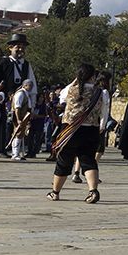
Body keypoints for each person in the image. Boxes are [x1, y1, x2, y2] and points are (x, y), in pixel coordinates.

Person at [47, 63, 105, 203]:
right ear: (93, 76)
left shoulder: (70, 89)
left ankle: (55, 192)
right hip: (91, 129)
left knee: (64, 161)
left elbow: (61, 96)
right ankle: (93, 191)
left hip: (70, 130)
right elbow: (104, 111)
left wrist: (76, 80)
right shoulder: (100, 92)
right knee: (88, 160)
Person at [0, 34, 37, 115]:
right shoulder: (5, 62)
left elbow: (32, 85)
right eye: (17, 47)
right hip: (4, 102)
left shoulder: (26, 65)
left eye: (23, 47)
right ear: (10, 48)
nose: (21, 49)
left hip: (21, 102)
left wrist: (32, 106)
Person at [9, 79, 35, 161]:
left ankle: (18, 153)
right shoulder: (20, 94)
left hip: (25, 117)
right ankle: (15, 154)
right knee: (18, 134)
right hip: (20, 117)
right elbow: (17, 107)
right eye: (29, 85)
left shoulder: (26, 94)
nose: (30, 87)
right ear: (24, 85)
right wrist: (18, 119)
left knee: (21, 135)